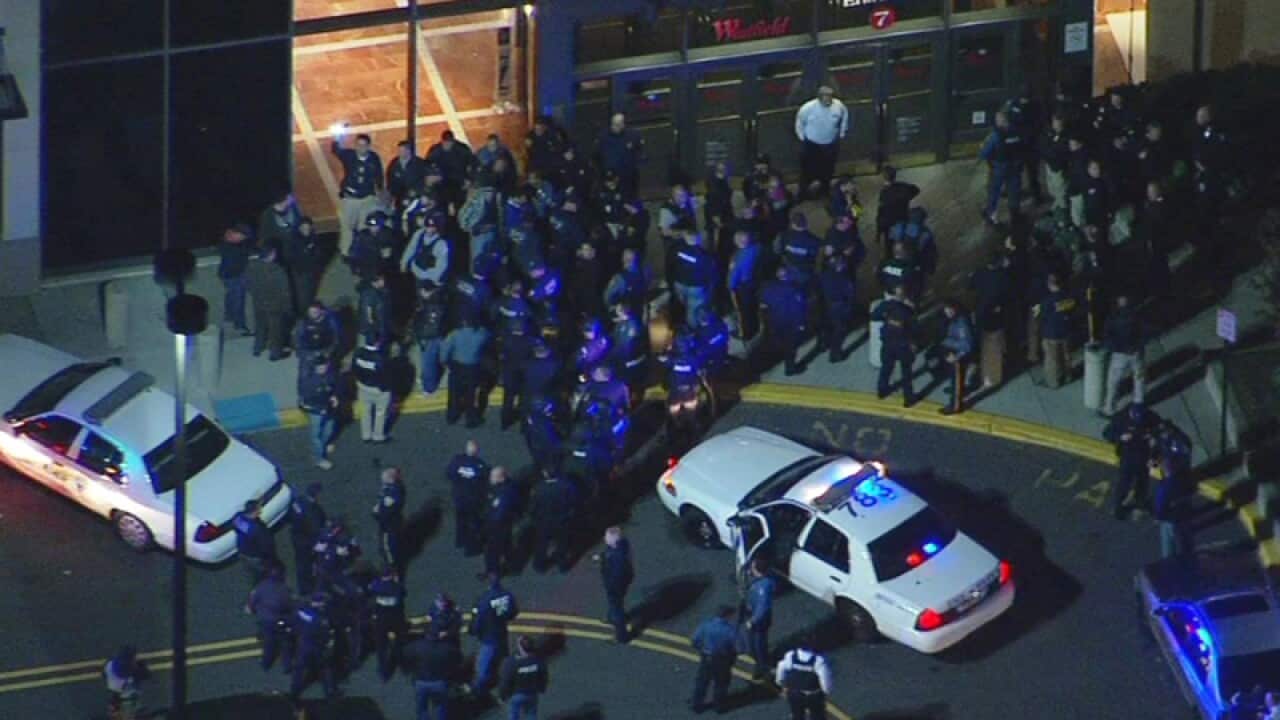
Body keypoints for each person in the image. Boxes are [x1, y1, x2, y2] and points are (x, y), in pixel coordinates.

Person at [331, 130, 384, 257]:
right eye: (358, 145)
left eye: (363, 145)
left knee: (364, 226)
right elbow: (336, 150)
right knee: (346, 227)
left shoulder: (374, 158)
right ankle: (345, 252)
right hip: (350, 198)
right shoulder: (349, 155)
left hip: (367, 198)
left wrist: (379, 191)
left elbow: (379, 176)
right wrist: (337, 137)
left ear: (368, 146)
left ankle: (362, 251)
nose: (360, 148)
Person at [1104, 403, 1158, 519]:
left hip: (1144, 455)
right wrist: (1120, 437)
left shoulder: (1152, 418)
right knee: (1124, 483)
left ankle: (1140, 502)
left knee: (1143, 482)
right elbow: (1107, 433)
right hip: (1127, 455)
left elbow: (1159, 431)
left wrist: (1154, 448)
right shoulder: (1120, 419)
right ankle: (1118, 507)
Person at [794, 85, 849, 200]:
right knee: (807, 170)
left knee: (827, 170)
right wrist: (802, 137)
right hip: (811, 144)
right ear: (819, 98)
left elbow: (844, 119)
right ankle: (803, 193)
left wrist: (842, 133)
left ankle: (824, 191)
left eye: (830, 97)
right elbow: (799, 122)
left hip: (830, 144)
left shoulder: (839, 106)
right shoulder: (808, 108)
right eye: (826, 97)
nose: (829, 99)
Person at [470, 572, 520, 696]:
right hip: (501, 632)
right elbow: (513, 612)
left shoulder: (484, 600)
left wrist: (473, 630)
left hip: (488, 637)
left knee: (483, 667)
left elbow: (478, 622)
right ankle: (505, 681)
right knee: (503, 659)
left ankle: (479, 690)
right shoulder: (507, 595)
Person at [969, 250, 1012, 390]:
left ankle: (978, 372)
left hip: (981, 313)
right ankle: (991, 378)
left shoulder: (979, 273)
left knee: (979, 344)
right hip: (996, 317)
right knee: (993, 348)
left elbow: (969, 287)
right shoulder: (1003, 276)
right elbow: (1009, 295)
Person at [440, 317, 492, 427]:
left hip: (457, 366)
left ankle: (452, 416)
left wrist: (444, 361)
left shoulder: (455, 334)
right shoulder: (481, 334)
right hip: (473, 368)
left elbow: (445, 349)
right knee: (471, 394)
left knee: (454, 393)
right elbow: (489, 339)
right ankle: (471, 419)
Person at [402, 628, 463, 720]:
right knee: (441, 706)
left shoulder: (414, 646)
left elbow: (406, 657)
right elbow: (458, 660)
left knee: (422, 708)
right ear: (439, 635)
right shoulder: (447, 648)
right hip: (440, 682)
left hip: (421, 681)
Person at [245, 245, 293, 361]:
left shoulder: (252, 266)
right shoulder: (277, 270)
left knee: (260, 326)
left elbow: (248, 285)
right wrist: (288, 308)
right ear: (271, 255)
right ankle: (275, 353)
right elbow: (285, 292)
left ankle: (257, 348)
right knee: (275, 331)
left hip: (259, 303)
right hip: (275, 306)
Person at [873, 285, 918, 406]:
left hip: (888, 342)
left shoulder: (887, 305)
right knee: (906, 372)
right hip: (903, 344)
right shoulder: (907, 309)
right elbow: (913, 328)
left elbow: (874, 315)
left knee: (886, 368)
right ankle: (908, 398)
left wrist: (886, 318)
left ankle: (882, 391)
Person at [1102, 293, 1146, 417]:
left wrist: (1114, 348)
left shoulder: (1113, 317)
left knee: (1113, 381)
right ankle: (1139, 402)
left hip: (1120, 354)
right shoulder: (1137, 314)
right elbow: (1145, 332)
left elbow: (1107, 337)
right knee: (1139, 378)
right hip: (1136, 353)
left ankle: (1109, 408)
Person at [247, 561, 295, 673]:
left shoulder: (261, 587)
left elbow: (252, 603)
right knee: (285, 643)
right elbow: (289, 606)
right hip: (279, 620)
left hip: (265, 621)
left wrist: (254, 610)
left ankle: (266, 663)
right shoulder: (284, 590)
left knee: (269, 644)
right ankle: (287, 665)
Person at [290, 592, 338, 703]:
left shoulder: (301, 611)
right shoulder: (321, 619)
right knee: (325, 668)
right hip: (317, 647)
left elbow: (295, 623)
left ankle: (294, 692)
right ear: (319, 603)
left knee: (299, 669)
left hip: (303, 644)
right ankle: (330, 692)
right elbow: (326, 635)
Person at [759, 267, 808, 376]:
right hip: (790, 323)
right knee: (791, 347)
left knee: (781, 343)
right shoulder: (795, 289)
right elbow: (799, 309)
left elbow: (764, 305)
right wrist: (801, 324)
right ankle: (790, 368)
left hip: (775, 321)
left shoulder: (769, 288)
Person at [689, 605, 738, 714]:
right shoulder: (730, 630)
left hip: (707, 657)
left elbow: (694, 640)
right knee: (721, 684)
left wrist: (702, 649)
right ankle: (719, 707)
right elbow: (741, 648)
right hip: (723, 660)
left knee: (702, 682)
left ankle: (696, 705)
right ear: (727, 616)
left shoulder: (705, 625)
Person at [979, 110, 1025, 225]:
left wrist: (982, 149)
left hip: (1000, 167)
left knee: (994, 191)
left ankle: (992, 215)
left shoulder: (996, 135)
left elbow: (985, 153)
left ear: (1000, 121)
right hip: (1015, 165)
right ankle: (1015, 214)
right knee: (1014, 190)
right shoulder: (1018, 131)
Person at [530, 466, 578, 573]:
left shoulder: (539, 488)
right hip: (562, 521)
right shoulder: (566, 486)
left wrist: (535, 518)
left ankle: (540, 565)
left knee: (542, 544)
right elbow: (574, 501)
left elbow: (533, 507)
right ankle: (562, 565)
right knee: (562, 544)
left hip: (544, 521)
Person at [1033, 273, 1076, 389]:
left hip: (1051, 334)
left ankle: (1053, 382)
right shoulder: (1069, 298)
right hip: (1066, 331)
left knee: (1052, 360)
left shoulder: (1046, 301)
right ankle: (1068, 376)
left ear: (1049, 284)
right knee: (1066, 356)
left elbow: (1040, 317)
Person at [447, 440, 490, 555]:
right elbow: (485, 483)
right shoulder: (481, 465)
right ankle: (470, 548)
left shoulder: (457, 460)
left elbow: (450, 473)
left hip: (459, 497)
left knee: (460, 520)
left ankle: (459, 541)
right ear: (477, 452)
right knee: (473, 524)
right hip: (473, 500)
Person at [933, 301, 975, 415]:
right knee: (955, 378)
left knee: (957, 379)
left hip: (958, 355)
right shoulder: (952, 319)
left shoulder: (961, 323)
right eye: (946, 310)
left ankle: (955, 406)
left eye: (950, 309)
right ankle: (957, 392)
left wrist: (950, 347)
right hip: (951, 352)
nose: (948, 312)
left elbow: (966, 345)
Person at [775, 635, 833, 720]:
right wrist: (826, 691)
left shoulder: (791, 656)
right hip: (813, 695)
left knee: (797, 715)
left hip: (794, 694)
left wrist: (780, 682)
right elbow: (825, 680)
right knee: (817, 716)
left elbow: (780, 667)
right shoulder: (818, 661)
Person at [366, 565, 407, 682]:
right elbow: (403, 593)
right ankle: (403, 666)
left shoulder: (376, 586)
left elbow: (370, 588)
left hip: (381, 619)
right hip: (395, 617)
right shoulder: (397, 587)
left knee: (381, 648)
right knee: (399, 643)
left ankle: (384, 673)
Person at [298, 358, 340, 469]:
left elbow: (333, 387)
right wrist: (318, 410)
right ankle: (318, 459)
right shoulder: (308, 382)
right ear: (315, 367)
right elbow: (303, 403)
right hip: (317, 412)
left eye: (325, 366)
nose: (323, 369)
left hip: (329, 409)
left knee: (328, 430)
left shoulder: (330, 375)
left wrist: (334, 396)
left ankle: (324, 445)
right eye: (320, 367)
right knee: (316, 436)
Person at [596, 526, 634, 644]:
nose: (604, 539)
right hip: (620, 583)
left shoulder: (618, 558)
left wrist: (610, 586)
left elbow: (616, 576)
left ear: (614, 541)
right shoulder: (619, 547)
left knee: (617, 607)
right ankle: (612, 616)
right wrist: (602, 558)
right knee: (616, 604)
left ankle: (621, 636)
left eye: (607, 537)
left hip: (615, 586)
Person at [218, 226, 256, 337]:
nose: (244, 238)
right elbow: (234, 260)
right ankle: (240, 326)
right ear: (236, 234)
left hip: (235, 275)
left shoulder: (238, 243)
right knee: (238, 300)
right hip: (232, 275)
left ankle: (229, 319)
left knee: (233, 297)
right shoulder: (230, 245)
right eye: (243, 236)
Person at [289, 482, 327, 595]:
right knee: (307, 564)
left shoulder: (298, 501)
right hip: (306, 541)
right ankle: (307, 588)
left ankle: (304, 586)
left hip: (296, 536)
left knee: (301, 563)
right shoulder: (311, 511)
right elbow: (316, 529)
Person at [353, 337, 393, 443]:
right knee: (380, 412)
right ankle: (377, 435)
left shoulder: (358, 352)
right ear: (377, 342)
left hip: (363, 386)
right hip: (378, 389)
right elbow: (385, 375)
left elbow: (354, 368)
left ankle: (366, 435)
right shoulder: (381, 357)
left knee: (365, 411)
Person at [499, 636, 549, 720]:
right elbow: (544, 676)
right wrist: (542, 688)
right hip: (532, 693)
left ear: (521, 648)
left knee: (514, 715)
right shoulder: (538, 660)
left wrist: (502, 696)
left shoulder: (511, 663)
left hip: (516, 694)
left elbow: (506, 681)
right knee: (531, 714)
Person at [818, 250, 855, 362]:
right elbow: (849, 294)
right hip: (839, 307)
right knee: (839, 331)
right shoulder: (844, 279)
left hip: (826, 305)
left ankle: (823, 344)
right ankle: (835, 354)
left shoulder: (823, 275)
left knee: (826, 327)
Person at [482, 466, 519, 578]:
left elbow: (500, 513)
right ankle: (511, 565)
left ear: (501, 478)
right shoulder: (500, 487)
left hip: (499, 526)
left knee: (492, 550)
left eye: (493, 477)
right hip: (500, 525)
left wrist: (490, 523)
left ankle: (493, 572)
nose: (490, 479)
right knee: (506, 546)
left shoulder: (506, 493)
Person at [413, 282, 448, 396]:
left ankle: (428, 388)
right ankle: (426, 380)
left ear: (428, 291)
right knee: (428, 361)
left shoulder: (433, 305)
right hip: (431, 336)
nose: (420, 293)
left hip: (430, 338)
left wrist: (422, 337)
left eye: (422, 290)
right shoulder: (433, 301)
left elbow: (432, 326)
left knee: (429, 363)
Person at [743, 557, 776, 679]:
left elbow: (762, 607)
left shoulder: (764, 587)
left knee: (758, 644)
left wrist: (752, 620)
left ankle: (761, 666)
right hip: (753, 614)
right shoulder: (760, 580)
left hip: (759, 620)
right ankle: (760, 659)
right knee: (753, 642)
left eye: (752, 567)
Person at [233, 499, 278, 588]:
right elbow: (266, 546)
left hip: (243, 552)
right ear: (254, 512)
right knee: (263, 573)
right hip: (256, 556)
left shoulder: (238, 518)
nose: (260, 510)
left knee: (253, 572)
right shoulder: (256, 529)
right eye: (258, 509)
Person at [598, 113, 644, 194]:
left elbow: (639, 153)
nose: (613, 127)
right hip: (610, 178)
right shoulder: (603, 137)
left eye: (617, 125)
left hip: (629, 178)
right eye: (612, 124)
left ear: (623, 125)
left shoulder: (633, 136)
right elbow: (597, 156)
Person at [727, 230, 761, 340]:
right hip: (755, 283)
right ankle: (756, 328)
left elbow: (733, 275)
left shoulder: (738, 257)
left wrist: (730, 287)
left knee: (743, 312)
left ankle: (745, 334)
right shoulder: (757, 248)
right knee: (753, 308)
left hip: (743, 287)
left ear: (738, 241)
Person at [372, 466, 407, 574]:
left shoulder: (394, 492)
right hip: (392, 521)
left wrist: (376, 512)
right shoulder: (390, 487)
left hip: (389, 524)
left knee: (388, 547)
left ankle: (393, 568)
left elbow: (386, 511)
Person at [875, 166, 919, 249]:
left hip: (890, 224)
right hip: (903, 219)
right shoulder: (903, 186)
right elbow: (916, 189)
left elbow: (881, 211)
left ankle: (891, 258)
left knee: (890, 246)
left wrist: (878, 233)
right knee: (902, 243)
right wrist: (908, 197)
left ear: (883, 178)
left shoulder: (884, 193)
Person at [401, 214, 450, 288]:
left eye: (432, 226)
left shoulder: (441, 243)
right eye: (427, 226)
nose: (429, 229)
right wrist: (404, 262)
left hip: (429, 280)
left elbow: (441, 267)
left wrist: (429, 285)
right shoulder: (419, 234)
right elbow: (411, 248)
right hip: (416, 272)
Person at [104, 645, 149, 720]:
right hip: (127, 697)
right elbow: (144, 675)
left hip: (119, 694)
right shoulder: (129, 677)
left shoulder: (109, 666)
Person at [295, 300, 340, 367]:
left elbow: (335, 338)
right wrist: (304, 354)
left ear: (321, 311)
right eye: (310, 312)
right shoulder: (303, 322)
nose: (312, 314)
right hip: (309, 352)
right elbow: (298, 339)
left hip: (325, 351)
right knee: (305, 373)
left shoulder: (329, 321)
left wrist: (328, 352)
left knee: (327, 372)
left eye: (315, 312)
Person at [387, 140, 426, 206]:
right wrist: (392, 195)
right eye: (399, 151)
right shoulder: (394, 163)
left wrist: (416, 191)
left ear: (408, 151)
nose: (400, 153)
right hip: (399, 198)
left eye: (402, 151)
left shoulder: (419, 163)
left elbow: (424, 180)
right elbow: (390, 180)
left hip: (416, 197)